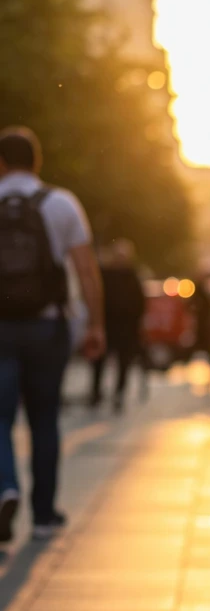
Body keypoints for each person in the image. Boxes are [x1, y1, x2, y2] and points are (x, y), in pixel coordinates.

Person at [0, 126, 105, 542]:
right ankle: (44, 514)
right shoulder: (61, 203)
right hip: (47, 326)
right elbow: (85, 269)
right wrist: (95, 324)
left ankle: (5, 487)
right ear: (37, 162)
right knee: (44, 418)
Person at [90, 239, 145, 412]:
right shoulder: (106, 274)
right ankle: (95, 393)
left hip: (126, 329)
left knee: (123, 363)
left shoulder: (132, 276)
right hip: (108, 325)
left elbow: (140, 303)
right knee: (100, 361)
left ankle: (118, 394)